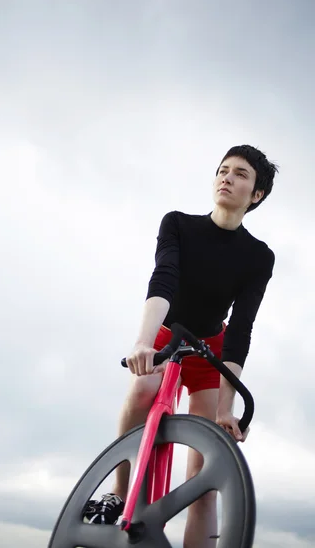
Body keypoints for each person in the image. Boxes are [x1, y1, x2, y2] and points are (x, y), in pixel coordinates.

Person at [83, 145, 278, 547]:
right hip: (165, 335)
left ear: (256, 195)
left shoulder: (259, 256)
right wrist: (142, 342)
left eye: (240, 174)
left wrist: (227, 407)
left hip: (210, 350)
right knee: (142, 388)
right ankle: (119, 495)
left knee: (205, 470)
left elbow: (241, 326)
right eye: (223, 170)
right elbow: (164, 278)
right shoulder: (178, 224)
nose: (227, 177)